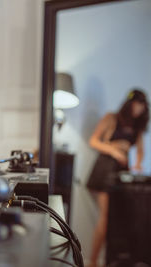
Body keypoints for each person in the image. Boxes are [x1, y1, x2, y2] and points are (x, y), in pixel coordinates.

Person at [87, 89, 149, 267]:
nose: (139, 109)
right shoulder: (111, 118)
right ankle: (92, 262)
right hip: (105, 171)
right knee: (105, 219)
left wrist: (137, 164)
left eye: (142, 107)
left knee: (121, 219)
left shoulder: (137, 126)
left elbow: (140, 150)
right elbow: (94, 141)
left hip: (122, 174)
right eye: (137, 105)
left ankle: (113, 260)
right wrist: (114, 149)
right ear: (130, 104)